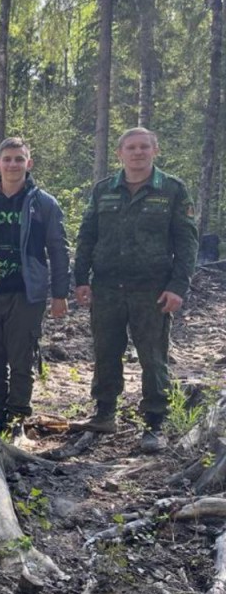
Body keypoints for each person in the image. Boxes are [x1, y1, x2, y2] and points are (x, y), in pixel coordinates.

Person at [72, 127, 198, 452]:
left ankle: (154, 424)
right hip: (107, 287)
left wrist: (178, 286)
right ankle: (103, 413)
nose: (138, 153)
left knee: (153, 357)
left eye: (144, 147)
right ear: (120, 153)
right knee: (105, 352)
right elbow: (87, 235)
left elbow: (187, 242)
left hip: (152, 290)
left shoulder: (171, 190)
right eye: (131, 147)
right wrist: (81, 279)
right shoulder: (104, 190)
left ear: (155, 151)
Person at [0, 138, 70, 436]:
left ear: (29, 163)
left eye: (19, 159)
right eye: (7, 159)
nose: (13, 164)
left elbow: (58, 248)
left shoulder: (44, 204)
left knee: (21, 358)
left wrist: (60, 293)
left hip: (27, 293)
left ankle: (16, 418)